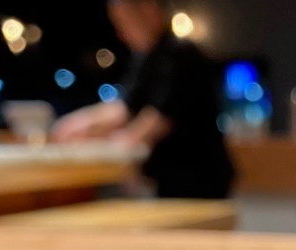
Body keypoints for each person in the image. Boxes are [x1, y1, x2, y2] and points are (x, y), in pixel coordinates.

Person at [52, 0, 234, 199]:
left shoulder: (180, 52)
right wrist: (77, 123)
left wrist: (116, 142)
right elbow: (124, 107)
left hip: (198, 178)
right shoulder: (145, 57)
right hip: (169, 178)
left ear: (149, 10)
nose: (121, 33)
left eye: (125, 22)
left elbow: (159, 119)